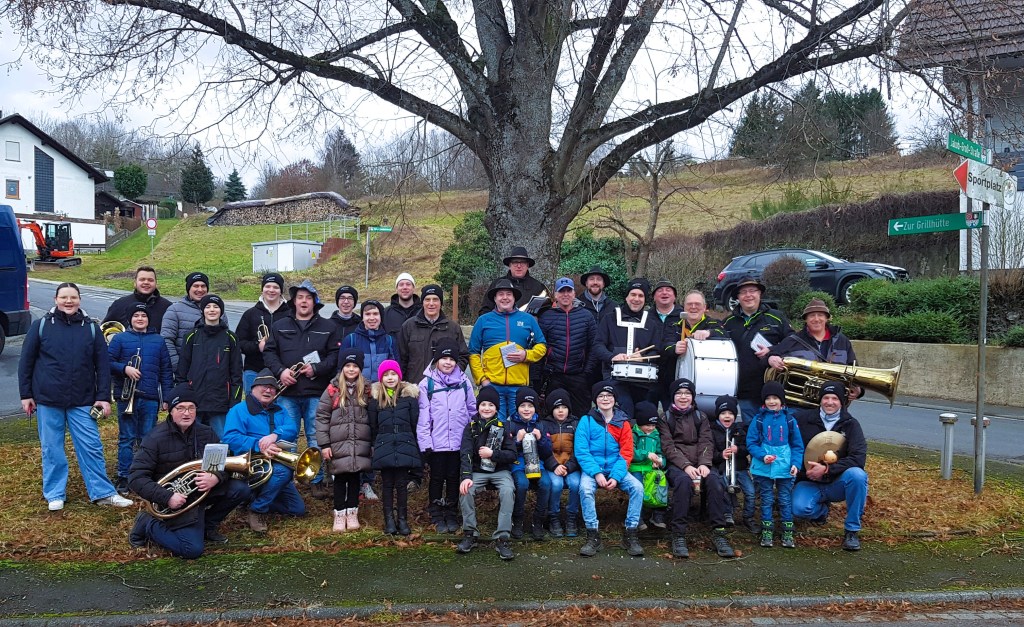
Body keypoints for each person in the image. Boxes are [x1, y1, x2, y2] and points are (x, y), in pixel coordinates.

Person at [19, 282, 133, 511]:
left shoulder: (91, 328)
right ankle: (55, 494)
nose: (68, 301)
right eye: (64, 297)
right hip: (48, 399)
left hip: (82, 400)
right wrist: (26, 394)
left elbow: (102, 366)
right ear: (56, 299)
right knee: (52, 449)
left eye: (73, 297)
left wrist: (103, 397)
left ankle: (102, 493)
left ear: (79, 300)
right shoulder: (41, 326)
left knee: (91, 446)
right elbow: (26, 362)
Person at [127, 385, 251, 557]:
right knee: (191, 550)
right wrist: (167, 497)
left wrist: (215, 477)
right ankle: (147, 523)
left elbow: (223, 464)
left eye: (191, 408)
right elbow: (136, 478)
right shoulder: (154, 439)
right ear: (171, 411)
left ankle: (207, 525)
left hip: (201, 491)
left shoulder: (206, 433)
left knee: (240, 489)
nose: (186, 413)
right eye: (180, 408)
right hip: (174, 499)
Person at [263, 279, 340, 499]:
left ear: (315, 302)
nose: (304, 301)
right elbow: (269, 352)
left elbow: (335, 356)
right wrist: (280, 372)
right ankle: (287, 479)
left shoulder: (328, 327)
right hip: (287, 393)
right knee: (288, 435)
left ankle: (316, 480)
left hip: (317, 392)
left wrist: (316, 368)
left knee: (316, 436)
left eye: (308, 298)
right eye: (300, 298)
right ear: (294, 301)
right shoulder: (279, 326)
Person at [658, 378, 736, 559]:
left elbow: (706, 442)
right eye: (679, 393)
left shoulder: (701, 417)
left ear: (693, 397)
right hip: (678, 465)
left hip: (701, 462)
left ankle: (719, 532)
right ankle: (678, 534)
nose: (683, 397)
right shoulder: (665, 418)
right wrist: (685, 466)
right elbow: (668, 446)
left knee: (715, 482)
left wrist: (704, 463)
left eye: (687, 393)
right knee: (683, 483)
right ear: (673, 396)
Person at [223, 368, 307, 533]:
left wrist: (276, 435)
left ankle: (253, 497)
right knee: (284, 471)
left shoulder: (280, 410)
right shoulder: (238, 410)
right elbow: (230, 438)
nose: (269, 390)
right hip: (251, 465)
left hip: (273, 462)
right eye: (264, 386)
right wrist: (259, 444)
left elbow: (292, 428)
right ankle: (257, 509)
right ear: (253, 388)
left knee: (297, 510)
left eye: (272, 388)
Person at [792, 381, 869, 551]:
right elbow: (790, 447)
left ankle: (851, 530)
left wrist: (827, 470)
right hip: (809, 481)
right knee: (798, 509)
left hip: (837, 482)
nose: (829, 402)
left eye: (835, 398)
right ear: (820, 400)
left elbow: (858, 458)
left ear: (842, 401)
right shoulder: (802, 419)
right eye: (826, 398)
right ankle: (822, 511)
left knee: (858, 476)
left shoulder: (851, 424)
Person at [108, 302, 175, 495]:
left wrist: (167, 397)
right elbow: (107, 361)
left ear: (148, 319)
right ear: (130, 319)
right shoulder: (120, 339)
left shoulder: (158, 340)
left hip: (150, 397)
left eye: (143, 315)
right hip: (126, 396)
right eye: (136, 315)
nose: (140, 318)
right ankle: (124, 475)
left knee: (147, 438)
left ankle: (144, 474)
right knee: (126, 438)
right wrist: (124, 369)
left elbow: (166, 371)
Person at [575, 381, 645, 557]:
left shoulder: (623, 422)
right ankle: (593, 535)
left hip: (616, 467)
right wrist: (596, 473)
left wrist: (616, 476)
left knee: (637, 488)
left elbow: (626, 452)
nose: (605, 399)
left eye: (609, 395)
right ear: (595, 400)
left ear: (615, 399)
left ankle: (630, 533)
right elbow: (582, 451)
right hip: (593, 469)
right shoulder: (586, 420)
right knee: (585, 489)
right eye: (601, 396)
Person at [419, 338, 477, 533]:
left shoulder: (464, 382)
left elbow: (472, 410)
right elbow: (424, 417)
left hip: (459, 442)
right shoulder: (427, 384)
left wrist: (473, 438)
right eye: (444, 358)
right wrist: (425, 443)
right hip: (436, 443)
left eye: (452, 359)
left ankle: (451, 513)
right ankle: (436, 514)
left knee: (453, 478)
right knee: (436, 478)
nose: (448, 362)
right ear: (437, 360)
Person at [467, 278, 547, 420]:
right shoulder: (483, 320)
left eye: (509, 294)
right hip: (492, 385)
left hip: (519, 386)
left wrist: (526, 355)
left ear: (514, 298)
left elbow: (542, 346)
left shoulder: (528, 319)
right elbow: (473, 353)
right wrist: (482, 380)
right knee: (495, 427)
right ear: (495, 298)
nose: (505, 297)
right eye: (501, 294)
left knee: (519, 426)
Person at [456, 385, 517, 560]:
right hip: (477, 471)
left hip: (500, 470)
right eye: (483, 404)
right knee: (466, 490)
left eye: (491, 405)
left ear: (496, 408)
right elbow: (465, 453)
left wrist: (493, 454)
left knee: (508, 491)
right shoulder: (471, 427)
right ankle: (470, 533)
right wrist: (466, 477)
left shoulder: (503, 426)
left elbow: (512, 454)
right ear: (478, 407)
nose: (487, 408)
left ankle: (502, 537)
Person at [316, 349, 372, 533]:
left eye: (355, 366)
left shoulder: (367, 390)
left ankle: (352, 511)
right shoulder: (332, 389)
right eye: (348, 365)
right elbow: (322, 417)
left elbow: (373, 416)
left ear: (360, 369)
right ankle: (339, 513)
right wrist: (325, 444)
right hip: (338, 444)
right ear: (342, 368)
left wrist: (371, 443)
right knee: (340, 478)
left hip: (359, 444)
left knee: (355, 478)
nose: (351, 369)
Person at [723, 276, 792, 420]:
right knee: (750, 430)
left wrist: (772, 351)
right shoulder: (728, 322)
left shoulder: (776, 317)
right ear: (738, 297)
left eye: (752, 291)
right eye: (743, 292)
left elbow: (793, 342)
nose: (748, 295)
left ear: (760, 293)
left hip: (773, 392)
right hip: (744, 392)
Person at [768, 298, 863, 403]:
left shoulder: (842, 340)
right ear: (806, 319)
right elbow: (771, 357)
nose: (816, 319)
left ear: (827, 318)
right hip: (800, 406)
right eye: (812, 315)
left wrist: (858, 388)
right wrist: (771, 358)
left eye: (820, 315)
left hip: (834, 404)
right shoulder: (792, 340)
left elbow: (853, 368)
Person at [746, 381, 804, 548]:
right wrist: (762, 456)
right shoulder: (758, 420)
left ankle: (787, 532)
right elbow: (751, 443)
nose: (772, 401)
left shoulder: (790, 420)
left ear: (782, 400)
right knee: (766, 499)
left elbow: (797, 445)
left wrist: (796, 463)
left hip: (785, 466)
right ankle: (767, 531)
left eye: (775, 398)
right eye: (768, 398)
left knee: (785, 499)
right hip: (763, 466)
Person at [176, 294, 242, 438]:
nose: (212, 310)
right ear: (202, 311)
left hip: (220, 401)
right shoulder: (191, 336)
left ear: (221, 311)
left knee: (221, 439)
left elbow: (236, 373)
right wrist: (183, 397)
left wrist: (234, 402)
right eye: (208, 307)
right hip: (194, 400)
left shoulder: (230, 338)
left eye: (216, 307)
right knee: (191, 439)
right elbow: (182, 371)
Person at [368, 359, 421, 536]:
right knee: (387, 484)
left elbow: (414, 423)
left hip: (404, 444)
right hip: (385, 445)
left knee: (401, 484)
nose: (390, 378)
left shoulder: (409, 399)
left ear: (399, 376)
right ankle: (389, 520)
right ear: (381, 378)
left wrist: (411, 443)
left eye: (393, 374)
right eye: (386, 375)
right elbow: (373, 427)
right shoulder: (375, 401)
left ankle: (402, 519)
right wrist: (376, 445)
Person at [593, 277, 659, 417]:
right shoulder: (610, 318)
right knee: (625, 410)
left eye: (640, 295)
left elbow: (656, 350)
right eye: (633, 294)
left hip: (642, 381)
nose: (636, 299)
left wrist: (643, 358)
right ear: (626, 297)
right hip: (614, 378)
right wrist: (612, 357)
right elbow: (598, 345)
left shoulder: (651, 323)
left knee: (644, 415)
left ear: (645, 299)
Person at [538, 277, 597, 418]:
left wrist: (587, 371)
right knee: (554, 414)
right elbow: (540, 346)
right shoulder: (546, 317)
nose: (565, 294)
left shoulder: (586, 316)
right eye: (561, 291)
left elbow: (594, 346)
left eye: (568, 291)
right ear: (555, 295)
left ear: (574, 294)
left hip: (578, 375)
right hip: (554, 376)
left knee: (582, 415)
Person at [398, 284, 469, 384]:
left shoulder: (453, 328)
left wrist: (452, 376)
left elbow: (463, 356)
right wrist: (403, 385)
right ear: (422, 302)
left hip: (444, 388)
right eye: (427, 299)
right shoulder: (408, 326)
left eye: (435, 299)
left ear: (441, 303)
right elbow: (401, 358)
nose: (431, 303)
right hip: (414, 386)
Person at [507, 386, 552, 540]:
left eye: (530, 406)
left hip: (537, 463)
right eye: (523, 406)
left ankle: (538, 521)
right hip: (518, 464)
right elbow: (507, 450)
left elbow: (547, 452)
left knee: (546, 483)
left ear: (535, 408)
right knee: (522, 484)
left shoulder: (540, 425)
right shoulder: (511, 424)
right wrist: (517, 440)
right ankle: (517, 520)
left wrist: (541, 439)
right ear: (517, 407)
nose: (526, 409)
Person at [710, 395, 757, 534]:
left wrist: (738, 449)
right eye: (723, 413)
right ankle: (727, 514)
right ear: (718, 415)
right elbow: (709, 452)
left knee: (751, 492)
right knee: (725, 489)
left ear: (735, 416)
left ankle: (748, 517)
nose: (727, 416)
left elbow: (748, 448)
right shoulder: (712, 430)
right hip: (723, 468)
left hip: (740, 468)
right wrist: (721, 455)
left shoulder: (740, 430)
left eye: (730, 413)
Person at [235, 273, 288, 394]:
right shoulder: (250, 314)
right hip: (254, 370)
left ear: (281, 291)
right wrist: (257, 346)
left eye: (275, 287)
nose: (271, 290)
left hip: (282, 370)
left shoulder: (290, 314)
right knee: (253, 404)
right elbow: (239, 343)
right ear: (262, 289)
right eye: (267, 286)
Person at [163, 272, 228, 370]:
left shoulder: (218, 311)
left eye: (203, 286)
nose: (200, 290)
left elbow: (226, 340)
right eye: (196, 286)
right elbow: (167, 340)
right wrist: (178, 366)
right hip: (185, 370)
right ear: (188, 289)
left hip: (214, 370)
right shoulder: (174, 310)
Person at [539, 389, 581, 538]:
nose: (561, 411)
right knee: (556, 485)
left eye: (564, 407)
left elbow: (579, 449)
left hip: (571, 466)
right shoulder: (544, 425)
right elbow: (543, 450)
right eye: (557, 407)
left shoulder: (575, 424)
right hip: (553, 466)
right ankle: (553, 517)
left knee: (576, 484)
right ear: (551, 409)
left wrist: (569, 466)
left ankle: (571, 517)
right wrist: (555, 466)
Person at [629, 401, 668, 530]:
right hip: (636, 468)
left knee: (662, 485)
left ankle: (658, 515)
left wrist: (660, 461)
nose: (651, 428)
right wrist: (646, 454)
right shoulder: (633, 434)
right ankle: (637, 517)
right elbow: (630, 452)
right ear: (640, 423)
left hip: (652, 468)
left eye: (653, 425)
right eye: (647, 425)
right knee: (638, 488)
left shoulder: (656, 435)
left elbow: (660, 452)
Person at [342, 300, 399, 383]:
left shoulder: (390, 341)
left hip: (382, 389)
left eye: (375, 314)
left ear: (381, 317)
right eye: (367, 314)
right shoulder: (350, 340)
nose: (372, 318)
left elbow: (396, 370)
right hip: (358, 389)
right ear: (362, 317)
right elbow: (341, 370)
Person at [478, 246, 548, 314]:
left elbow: (546, 312)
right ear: (509, 265)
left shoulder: (538, 287)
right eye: (515, 262)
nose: (519, 266)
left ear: (527, 265)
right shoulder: (497, 284)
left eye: (523, 262)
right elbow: (485, 310)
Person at [102, 266, 172, 332]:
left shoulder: (168, 307)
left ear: (156, 283)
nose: (146, 282)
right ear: (135, 283)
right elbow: (106, 329)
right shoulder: (119, 304)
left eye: (150, 280)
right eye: (142, 279)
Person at [649, 279, 683, 411]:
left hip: (674, 374)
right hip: (650, 374)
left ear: (674, 296)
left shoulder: (684, 317)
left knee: (673, 413)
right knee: (647, 413)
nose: (664, 293)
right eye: (660, 290)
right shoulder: (645, 317)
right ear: (654, 297)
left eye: (668, 290)